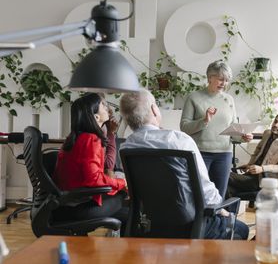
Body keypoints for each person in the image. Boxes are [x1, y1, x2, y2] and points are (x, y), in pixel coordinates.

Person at [119, 89, 249, 240]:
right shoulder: (178, 140)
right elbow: (205, 189)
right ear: (154, 109)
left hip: (151, 224)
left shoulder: (127, 147)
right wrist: (221, 210)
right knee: (241, 229)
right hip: (191, 225)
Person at [52, 93, 128, 232]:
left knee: (126, 214)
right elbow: (94, 179)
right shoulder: (90, 139)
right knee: (124, 196)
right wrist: (121, 183)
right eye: (103, 105)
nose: (108, 108)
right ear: (96, 116)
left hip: (65, 204)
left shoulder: (76, 137)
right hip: (77, 208)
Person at [180, 60, 252, 198]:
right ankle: (200, 220)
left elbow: (232, 129)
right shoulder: (193, 97)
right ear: (210, 77)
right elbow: (184, 127)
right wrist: (204, 120)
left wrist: (242, 136)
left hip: (224, 154)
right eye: (220, 79)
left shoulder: (229, 100)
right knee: (198, 194)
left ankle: (217, 220)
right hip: (200, 153)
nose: (223, 83)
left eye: (226, 80)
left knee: (219, 194)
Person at [227, 112, 278, 196]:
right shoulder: (267, 133)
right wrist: (249, 165)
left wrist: (262, 169)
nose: (276, 125)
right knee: (226, 187)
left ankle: (225, 209)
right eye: (275, 121)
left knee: (224, 175)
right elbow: (257, 152)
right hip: (252, 176)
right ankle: (227, 209)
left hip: (266, 180)